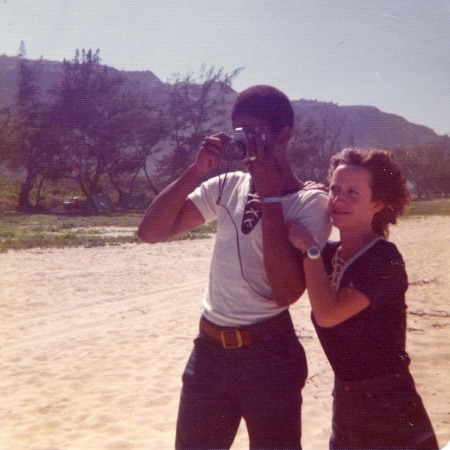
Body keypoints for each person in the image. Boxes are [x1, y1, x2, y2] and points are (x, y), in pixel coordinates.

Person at [138, 85, 331, 449]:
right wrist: (196, 170)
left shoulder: (311, 202)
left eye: (255, 133)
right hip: (209, 351)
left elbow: (287, 291)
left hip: (269, 354)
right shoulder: (228, 185)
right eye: (239, 132)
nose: (245, 142)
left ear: (283, 135)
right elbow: (150, 233)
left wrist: (270, 194)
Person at [288, 148, 439, 449]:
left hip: (390, 407)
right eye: (335, 189)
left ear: (377, 204)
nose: (339, 200)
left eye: (353, 192)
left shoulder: (384, 259)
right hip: (345, 401)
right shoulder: (329, 255)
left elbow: (328, 315)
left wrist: (309, 249)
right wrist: (302, 198)